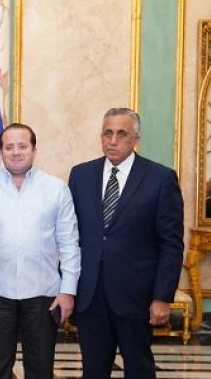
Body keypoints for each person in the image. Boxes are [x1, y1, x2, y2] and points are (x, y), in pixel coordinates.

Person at [68, 108, 184, 379]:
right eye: (108, 133)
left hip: (137, 297)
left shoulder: (161, 178)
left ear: (136, 138)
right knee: (93, 371)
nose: (113, 140)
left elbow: (171, 243)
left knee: (139, 369)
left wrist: (162, 297)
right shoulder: (81, 175)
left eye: (122, 134)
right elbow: (70, 236)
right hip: (90, 296)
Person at [0, 123, 80, 379]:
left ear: (34, 150)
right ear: (1, 151)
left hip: (43, 296)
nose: (16, 152)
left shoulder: (56, 189)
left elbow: (69, 243)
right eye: (9, 147)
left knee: (40, 369)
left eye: (22, 146)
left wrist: (68, 290)